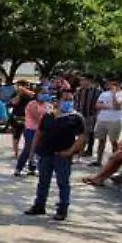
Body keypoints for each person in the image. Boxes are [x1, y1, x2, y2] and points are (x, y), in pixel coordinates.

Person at [24, 89, 85, 221]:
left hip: (62, 156)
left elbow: (81, 138)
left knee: (63, 182)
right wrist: (32, 152)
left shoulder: (75, 118)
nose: (69, 102)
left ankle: (62, 209)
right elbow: (38, 134)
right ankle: (39, 205)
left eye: (71, 99)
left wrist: (70, 152)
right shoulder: (48, 116)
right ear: (58, 101)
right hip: (45, 153)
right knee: (43, 181)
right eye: (66, 99)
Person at [91, 79, 122, 167]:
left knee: (114, 141)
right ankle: (98, 160)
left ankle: (114, 162)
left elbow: (117, 106)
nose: (110, 86)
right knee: (101, 140)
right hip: (102, 119)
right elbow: (97, 105)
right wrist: (109, 106)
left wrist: (113, 95)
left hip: (115, 120)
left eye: (113, 84)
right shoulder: (104, 94)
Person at [14, 90, 50, 176]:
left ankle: (32, 168)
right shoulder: (31, 104)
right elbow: (36, 115)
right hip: (31, 128)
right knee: (28, 148)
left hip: (42, 130)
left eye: (45, 93)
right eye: (42, 93)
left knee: (37, 149)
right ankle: (19, 168)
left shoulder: (48, 105)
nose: (44, 95)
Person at [74, 76, 102, 159]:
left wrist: (97, 115)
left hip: (90, 115)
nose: (81, 82)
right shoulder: (78, 91)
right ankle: (79, 148)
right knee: (80, 133)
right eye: (81, 81)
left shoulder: (97, 92)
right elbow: (76, 101)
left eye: (83, 80)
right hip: (79, 114)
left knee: (89, 133)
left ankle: (88, 150)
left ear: (88, 81)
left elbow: (99, 104)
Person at [8, 81, 34, 158]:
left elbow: (34, 95)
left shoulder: (29, 95)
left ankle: (28, 152)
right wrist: (19, 94)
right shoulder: (16, 94)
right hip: (16, 117)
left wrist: (24, 91)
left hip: (27, 118)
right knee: (16, 136)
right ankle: (16, 153)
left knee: (28, 136)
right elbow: (14, 103)